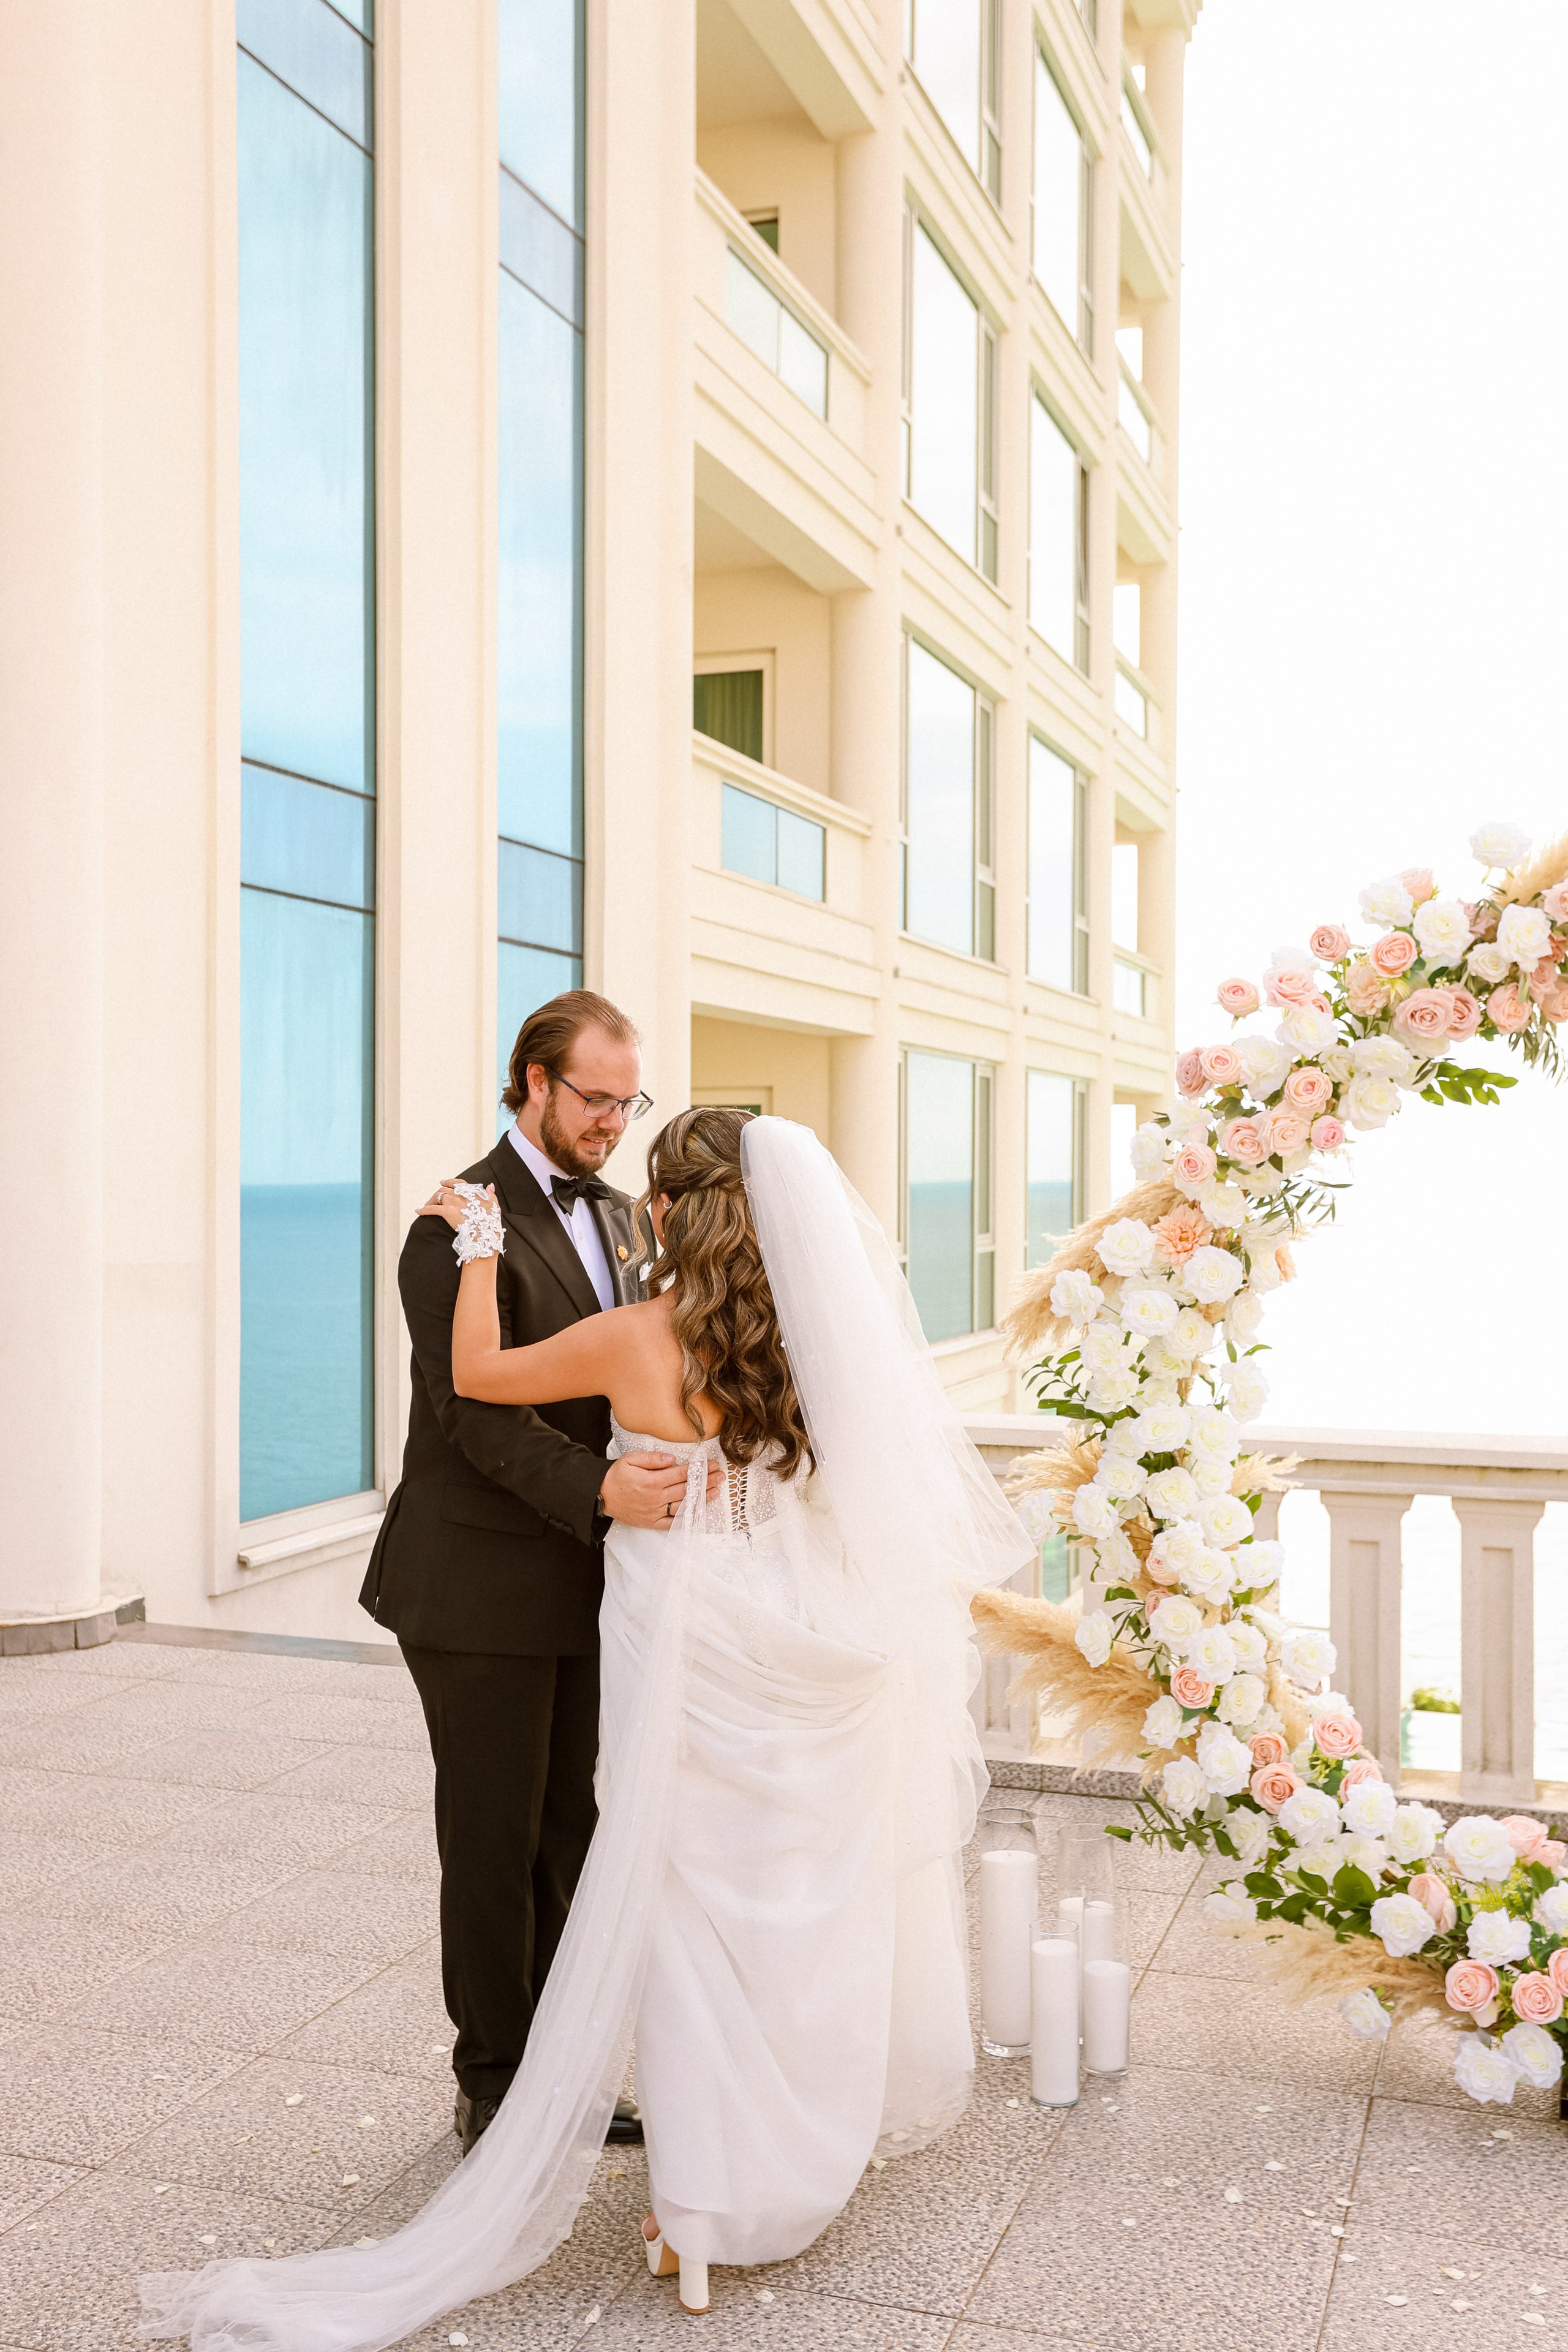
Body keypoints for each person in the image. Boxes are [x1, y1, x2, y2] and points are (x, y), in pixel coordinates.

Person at [141, 1111, 1033, 2349]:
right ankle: (777, 2173)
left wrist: (479, 1249)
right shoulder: (811, 1348)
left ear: (665, 1215)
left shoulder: (633, 1339)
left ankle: (696, 2204)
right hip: (790, 1641)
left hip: (681, 1634)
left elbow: (477, 1378)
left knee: (681, 1900)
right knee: (792, 1898)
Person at [358, 990, 720, 2156]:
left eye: (629, 1101)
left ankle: (561, 2071)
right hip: (476, 1582)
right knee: (493, 1834)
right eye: (595, 1098)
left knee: (575, 1827)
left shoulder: (624, 1218)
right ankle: (495, 2085)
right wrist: (597, 1491)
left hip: (591, 1583)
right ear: (532, 1079)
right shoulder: (454, 1223)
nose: (613, 1121)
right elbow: (467, 1411)